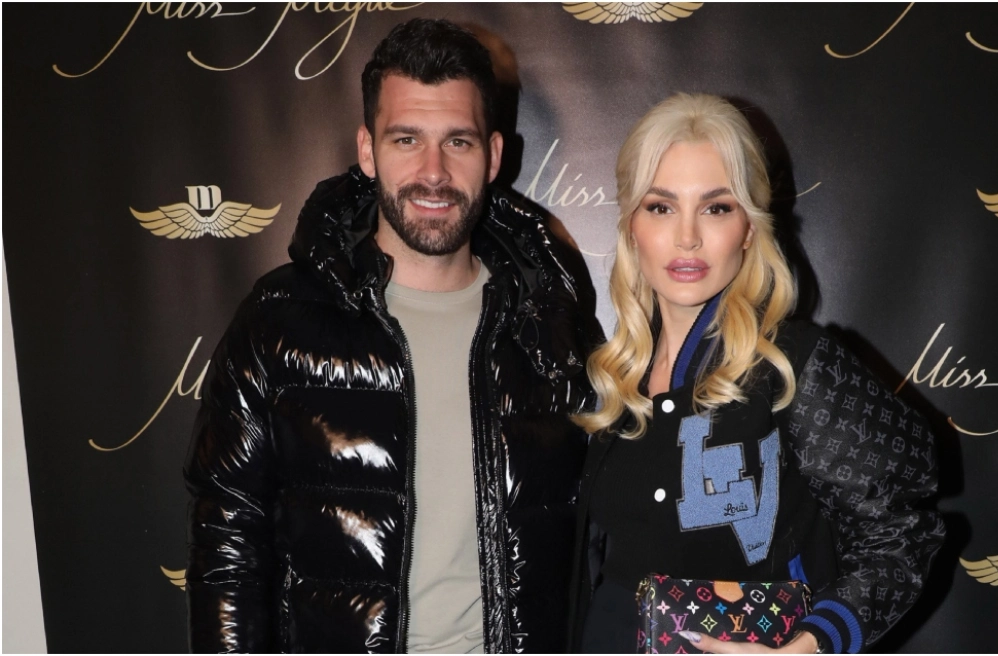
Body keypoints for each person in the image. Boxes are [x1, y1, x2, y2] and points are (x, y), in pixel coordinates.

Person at [184, 18, 602, 653]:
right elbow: (227, 547)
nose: (433, 172)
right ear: (367, 149)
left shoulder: (550, 326)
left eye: (457, 141)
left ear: (493, 156)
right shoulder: (277, 321)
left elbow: (608, 541)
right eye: (407, 139)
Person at [566, 93, 946, 654]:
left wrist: (812, 644)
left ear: (748, 228)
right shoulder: (615, 378)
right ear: (630, 224)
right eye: (661, 207)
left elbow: (902, 534)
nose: (688, 236)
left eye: (716, 208)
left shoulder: (793, 364)